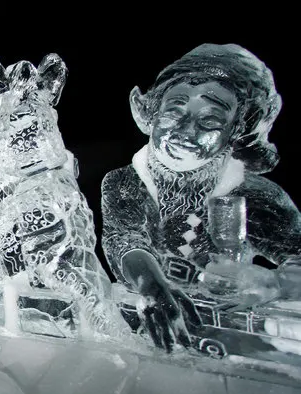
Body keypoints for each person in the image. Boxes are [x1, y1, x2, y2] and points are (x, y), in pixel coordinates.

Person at [101, 44, 301, 352]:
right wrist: (151, 285)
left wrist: (276, 284)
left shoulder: (255, 197)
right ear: (153, 113)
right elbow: (124, 240)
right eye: (173, 111)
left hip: (229, 339)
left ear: (238, 131)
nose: (183, 130)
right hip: (145, 333)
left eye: (209, 121)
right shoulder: (125, 182)